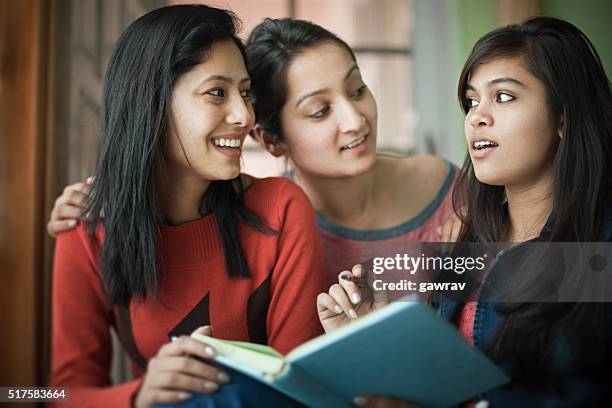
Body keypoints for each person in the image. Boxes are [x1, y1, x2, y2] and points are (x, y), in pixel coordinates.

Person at [318, 16, 612, 407]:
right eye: (472, 101)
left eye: (503, 97)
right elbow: (442, 380)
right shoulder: (467, 250)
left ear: (563, 116)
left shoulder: (598, 252)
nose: (476, 117)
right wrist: (372, 334)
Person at [47, 18, 461, 287]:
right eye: (319, 110)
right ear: (271, 140)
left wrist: (470, 261)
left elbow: (502, 307)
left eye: (357, 90)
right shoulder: (271, 226)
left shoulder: (446, 186)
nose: (356, 120)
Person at [49, 5, 325, 407]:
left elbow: (296, 384)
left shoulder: (282, 208)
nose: (244, 115)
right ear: (151, 102)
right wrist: (139, 395)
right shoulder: (85, 232)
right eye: (217, 92)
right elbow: (50, 393)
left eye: (245, 93)